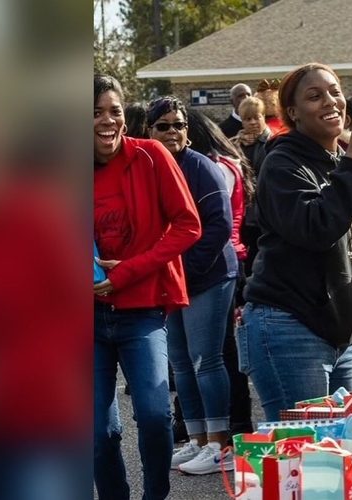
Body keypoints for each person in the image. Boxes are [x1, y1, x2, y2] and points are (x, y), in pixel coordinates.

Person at [238, 63, 352, 421]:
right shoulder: (281, 162)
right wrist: (351, 162)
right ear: (292, 113)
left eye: (335, 92)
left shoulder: (340, 158)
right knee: (304, 455)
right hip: (289, 325)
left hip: (340, 334)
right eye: (314, 96)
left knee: (345, 448)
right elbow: (317, 228)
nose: (331, 101)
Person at [94, 75, 201, 500]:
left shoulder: (152, 155)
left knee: (156, 416)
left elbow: (189, 225)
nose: (107, 120)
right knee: (96, 432)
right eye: (95, 112)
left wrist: (127, 272)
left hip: (142, 311)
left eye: (114, 111)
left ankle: (155, 495)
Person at [146, 96, 239, 475]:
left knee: (206, 360)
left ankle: (221, 444)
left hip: (209, 276)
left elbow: (218, 225)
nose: (173, 131)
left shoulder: (201, 167)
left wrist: (186, 273)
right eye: (164, 125)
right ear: (148, 130)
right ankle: (197, 439)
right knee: (181, 365)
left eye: (179, 124)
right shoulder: (149, 166)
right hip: (173, 279)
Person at [185, 108, 257, 437]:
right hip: (227, 257)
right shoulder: (226, 162)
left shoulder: (214, 167)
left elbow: (218, 221)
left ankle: (234, 427)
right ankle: (226, 428)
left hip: (222, 261)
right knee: (220, 352)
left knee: (220, 354)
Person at [234, 96, 271, 280]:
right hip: (243, 210)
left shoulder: (272, 143)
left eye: (257, 117)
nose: (253, 122)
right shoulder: (235, 145)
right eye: (248, 119)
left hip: (264, 211)